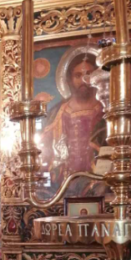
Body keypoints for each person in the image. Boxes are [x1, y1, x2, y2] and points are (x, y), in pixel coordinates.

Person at [42, 52, 106, 195]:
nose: (83, 80)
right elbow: (45, 150)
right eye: (78, 75)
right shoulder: (57, 113)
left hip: (100, 180)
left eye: (88, 74)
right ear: (70, 79)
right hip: (63, 183)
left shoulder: (106, 110)